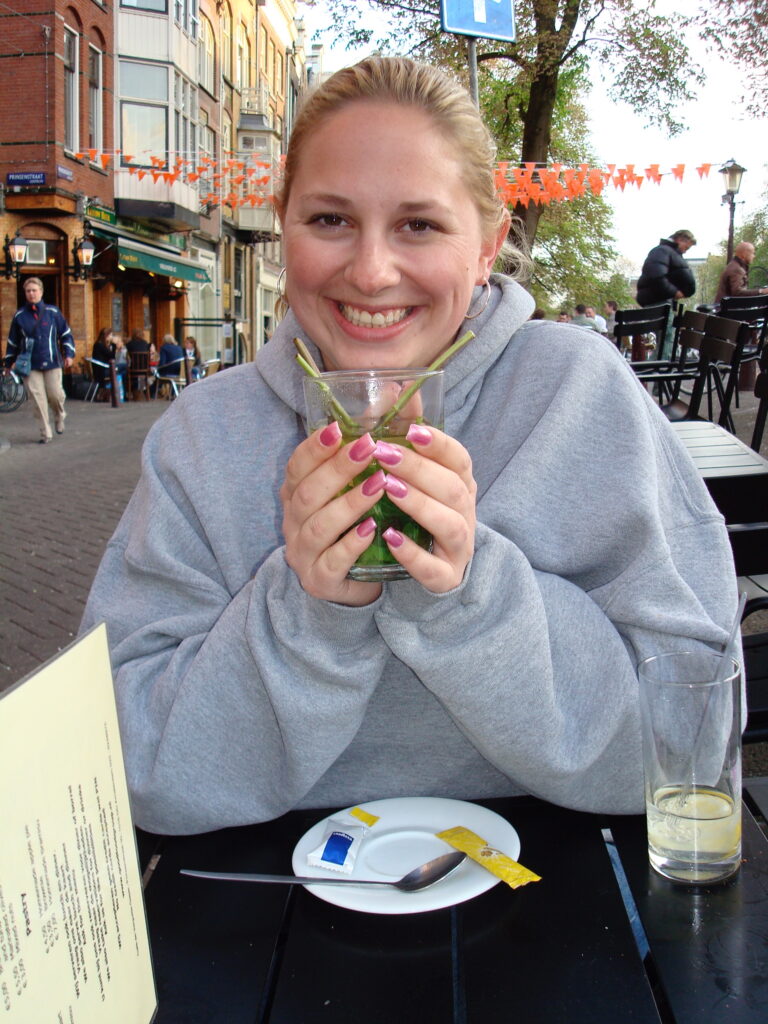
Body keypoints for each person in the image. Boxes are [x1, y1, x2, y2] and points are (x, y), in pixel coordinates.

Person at [81, 57, 736, 836]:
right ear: (282, 224)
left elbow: (693, 739)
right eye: (330, 220)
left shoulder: (579, 394)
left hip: (566, 899)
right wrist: (309, 615)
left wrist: (471, 590)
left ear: (488, 245)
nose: (371, 270)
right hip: (261, 912)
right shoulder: (201, 435)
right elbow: (122, 764)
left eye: (419, 225)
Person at [3, 277, 75, 443]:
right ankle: (45, 432)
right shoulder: (20, 316)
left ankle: (59, 415)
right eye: (28, 291)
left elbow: (65, 334)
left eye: (34, 290)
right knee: (38, 398)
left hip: (52, 361)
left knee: (55, 394)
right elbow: (12, 341)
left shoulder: (53, 313)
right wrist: (8, 363)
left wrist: (69, 354)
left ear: (41, 292)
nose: (31, 294)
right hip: (30, 365)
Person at [636, 230, 697, 358]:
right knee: (667, 341)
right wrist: (674, 292)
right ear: (680, 239)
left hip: (659, 301)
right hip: (660, 302)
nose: (686, 251)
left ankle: (655, 370)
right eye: (687, 247)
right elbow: (657, 276)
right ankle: (657, 371)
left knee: (666, 341)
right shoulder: (663, 251)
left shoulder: (662, 252)